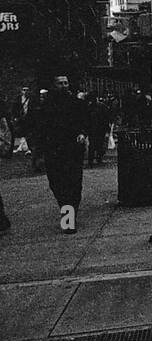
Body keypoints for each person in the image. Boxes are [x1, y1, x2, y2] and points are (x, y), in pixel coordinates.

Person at [38, 75, 88, 232]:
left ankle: (68, 220)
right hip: (53, 150)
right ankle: (68, 213)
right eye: (60, 83)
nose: (64, 86)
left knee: (73, 185)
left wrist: (82, 133)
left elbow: (85, 120)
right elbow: (40, 127)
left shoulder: (76, 103)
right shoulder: (46, 105)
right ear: (54, 85)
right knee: (57, 184)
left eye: (66, 83)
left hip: (72, 149)